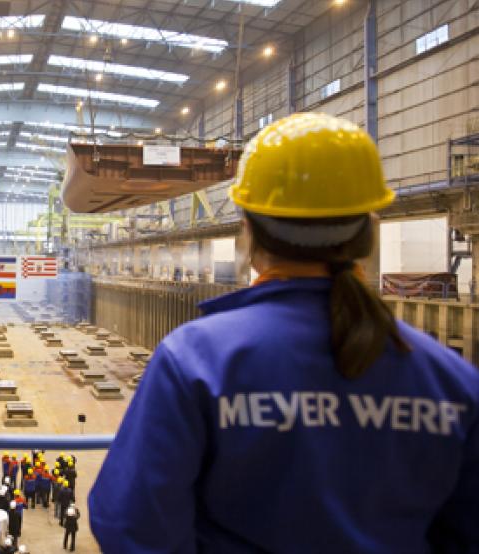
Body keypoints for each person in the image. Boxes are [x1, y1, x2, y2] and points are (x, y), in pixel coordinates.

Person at [90, 112, 479, 552]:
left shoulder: (197, 360)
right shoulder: (451, 382)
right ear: (370, 233)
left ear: (248, 232)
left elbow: (130, 524)